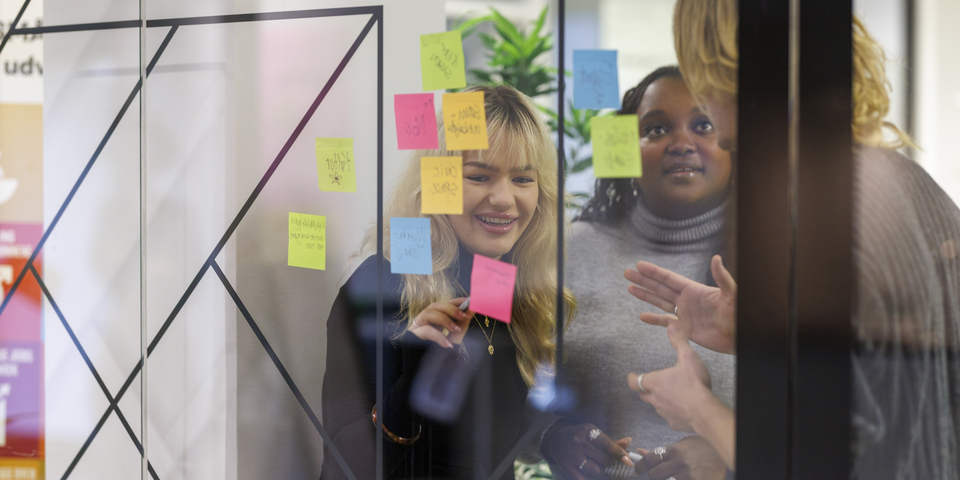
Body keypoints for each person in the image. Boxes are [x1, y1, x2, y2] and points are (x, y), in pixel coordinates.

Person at [625, 1, 960, 477]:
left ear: (718, 65)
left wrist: (697, 409)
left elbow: (820, 460)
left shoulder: (821, 204)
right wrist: (767, 336)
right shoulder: (894, 175)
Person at [320, 85, 577, 479]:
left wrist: (563, 439)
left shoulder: (503, 284)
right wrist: (416, 380)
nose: (505, 199)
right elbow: (347, 465)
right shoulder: (382, 281)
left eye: (523, 179)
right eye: (480, 176)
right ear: (437, 182)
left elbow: (494, 440)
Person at [537, 67, 734, 480]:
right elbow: (513, 386)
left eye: (704, 124)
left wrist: (730, 454)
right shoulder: (568, 249)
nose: (681, 143)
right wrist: (552, 438)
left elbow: (823, 415)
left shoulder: (780, 260)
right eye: (657, 128)